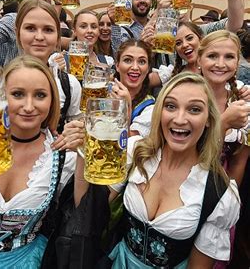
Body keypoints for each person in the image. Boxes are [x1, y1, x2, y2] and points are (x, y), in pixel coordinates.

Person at [67, 72, 241, 268]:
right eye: (171, 106)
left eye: (194, 109)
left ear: (208, 119)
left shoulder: (219, 193)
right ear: (159, 112)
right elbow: (87, 210)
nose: (180, 118)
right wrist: (83, 151)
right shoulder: (136, 153)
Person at [0, 55, 76, 268]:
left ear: (52, 101)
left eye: (40, 95)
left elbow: (87, 219)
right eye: (17, 94)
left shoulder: (62, 157)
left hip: (30, 262)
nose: (29, 106)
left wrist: (86, 153)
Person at [16, 0, 81, 133]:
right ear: (18, 32)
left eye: (48, 30)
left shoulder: (69, 84)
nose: (39, 37)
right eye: (30, 28)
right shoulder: (3, 81)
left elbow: (76, 128)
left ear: (58, 37)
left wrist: (73, 135)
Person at [196, 30, 250, 186]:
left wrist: (229, 199)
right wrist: (224, 121)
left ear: (237, 62)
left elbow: (238, 162)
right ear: (199, 59)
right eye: (212, 56)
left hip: (223, 187)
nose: (220, 64)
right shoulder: (183, 99)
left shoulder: (242, 103)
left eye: (229, 57)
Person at [113, 39, 154, 137]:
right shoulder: (101, 95)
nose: (135, 67)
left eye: (142, 61)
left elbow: (130, 142)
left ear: (148, 69)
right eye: (128, 60)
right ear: (117, 66)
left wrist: (125, 107)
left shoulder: (150, 108)